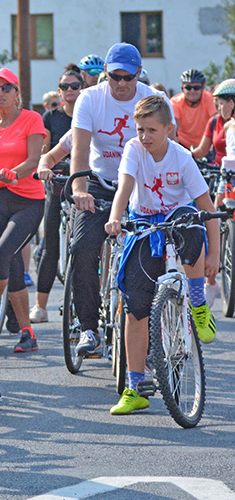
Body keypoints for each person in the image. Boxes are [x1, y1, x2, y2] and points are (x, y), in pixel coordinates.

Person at [104, 95, 218, 414]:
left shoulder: (181, 158)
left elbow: (207, 209)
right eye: (140, 129)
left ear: (169, 128)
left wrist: (214, 259)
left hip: (177, 218)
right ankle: (134, 386)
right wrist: (116, 217)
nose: (145, 136)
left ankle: (197, 303)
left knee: (190, 222)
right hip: (143, 221)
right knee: (135, 308)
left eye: (152, 130)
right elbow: (124, 188)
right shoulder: (133, 150)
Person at [69, 42, 174, 358]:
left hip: (142, 187)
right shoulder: (90, 98)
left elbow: (171, 151)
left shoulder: (154, 99)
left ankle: (153, 329)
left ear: (139, 74)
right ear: (105, 74)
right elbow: (80, 149)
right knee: (82, 248)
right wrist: (79, 189)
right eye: (115, 76)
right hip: (101, 185)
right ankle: (89, 327)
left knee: (155, 256)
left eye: (128, 77)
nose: (121, 84)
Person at [0, 67, 45, 352]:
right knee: (11, 264)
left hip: (28, 200)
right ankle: (27, 333)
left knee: (2, 253)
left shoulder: (31, 119)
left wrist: (13, 172)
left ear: (17, 93)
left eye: (6, 88)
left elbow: (34, 159)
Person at [30, 69, 84, 323]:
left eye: (75, 85)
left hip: (83, 182)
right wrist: (46, 168)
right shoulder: (51, 117)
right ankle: (40, 306)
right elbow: (46, 150)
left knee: (85, 246)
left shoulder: (87, 115)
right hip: (59, 182)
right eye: (65, 86)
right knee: (50, 245)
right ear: (59, 90)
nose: (70, 90)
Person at [170, 70, 217, 150]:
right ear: (182, 88)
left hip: (205, 145)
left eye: (196, 88)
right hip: (182, 145)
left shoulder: (209, 99)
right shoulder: (175, 102)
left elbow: (216, 121)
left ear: (203, 88)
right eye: (188, 87)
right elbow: (173, 127)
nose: (192, 91)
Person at [191, 79, 235, 164]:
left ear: (231, 103)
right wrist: (185, 156)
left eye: (221, 104)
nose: (219, 108)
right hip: (224, 172)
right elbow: (202, 149)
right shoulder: (227, 125)